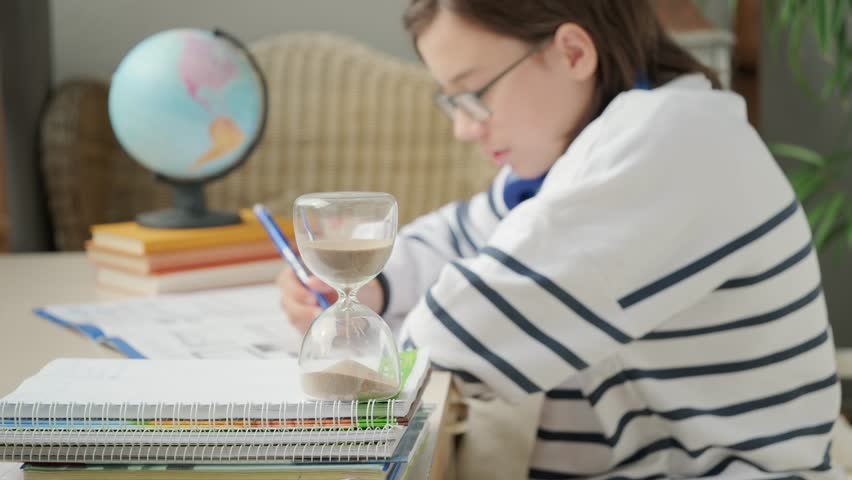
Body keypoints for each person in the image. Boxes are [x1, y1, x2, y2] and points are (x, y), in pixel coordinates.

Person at [279, 1, 842, 478]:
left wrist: (373, 327)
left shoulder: (671, 142)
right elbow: (458, 236)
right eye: (451, 103)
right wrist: (370, 284)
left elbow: (459, 332)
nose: (463, 127)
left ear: (573, 52)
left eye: (472, 93)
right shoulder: (588, 149)